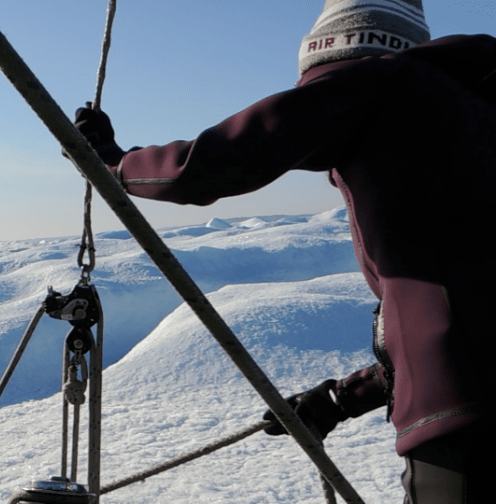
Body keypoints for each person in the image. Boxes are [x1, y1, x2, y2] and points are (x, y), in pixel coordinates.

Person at [72, 0, 495, 502]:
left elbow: (225, 158)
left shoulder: (381, 84)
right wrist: (344, 398)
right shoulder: (473, 112)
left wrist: (116, 165)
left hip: (465, 427)